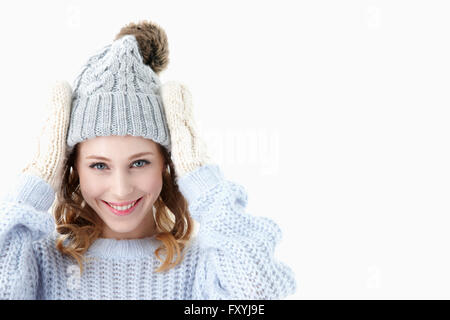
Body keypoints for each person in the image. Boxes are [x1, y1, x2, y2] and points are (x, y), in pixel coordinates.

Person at [0, 20, 297, 299]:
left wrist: (200, 176)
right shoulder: (37, 262)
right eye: (99, 165)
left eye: (139, 163)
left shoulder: (201, 267)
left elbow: (260, 295)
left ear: (168, 164)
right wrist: (36, 179)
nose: (120, 189)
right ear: (72, 168)